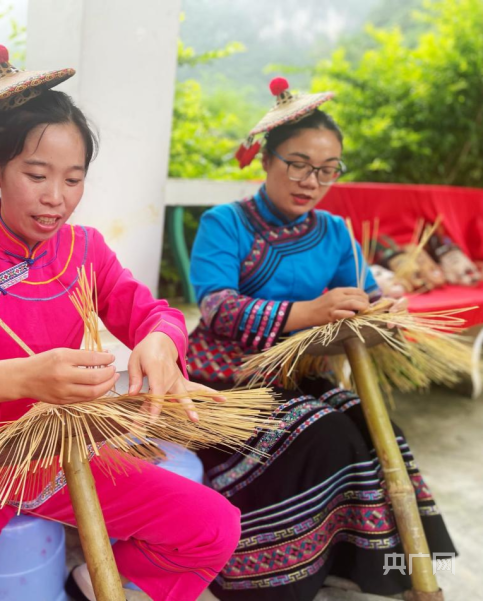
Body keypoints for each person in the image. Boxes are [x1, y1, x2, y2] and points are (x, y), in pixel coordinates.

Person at [0, 45, 240, 601]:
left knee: (212, 527)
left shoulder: (85, 250)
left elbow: (152, 312)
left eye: (74, 179)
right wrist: (24, 379)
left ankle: (87, 586)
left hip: (64, 451)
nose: (56, 198)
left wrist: (160, 342)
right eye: (36, 174)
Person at [187, 78, 455, 600]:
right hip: (226, 385)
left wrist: (385, 313)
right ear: (267, 160)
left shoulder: (334, 231)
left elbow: (369, 292)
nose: (313, 180)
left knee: (377, 433)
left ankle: (360, 563)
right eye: (299, 163)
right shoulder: (226, 223)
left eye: (328, 169)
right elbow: (216, 306)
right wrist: (306, 311)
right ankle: (273, 575)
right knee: (323, 433)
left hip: (300, 375)